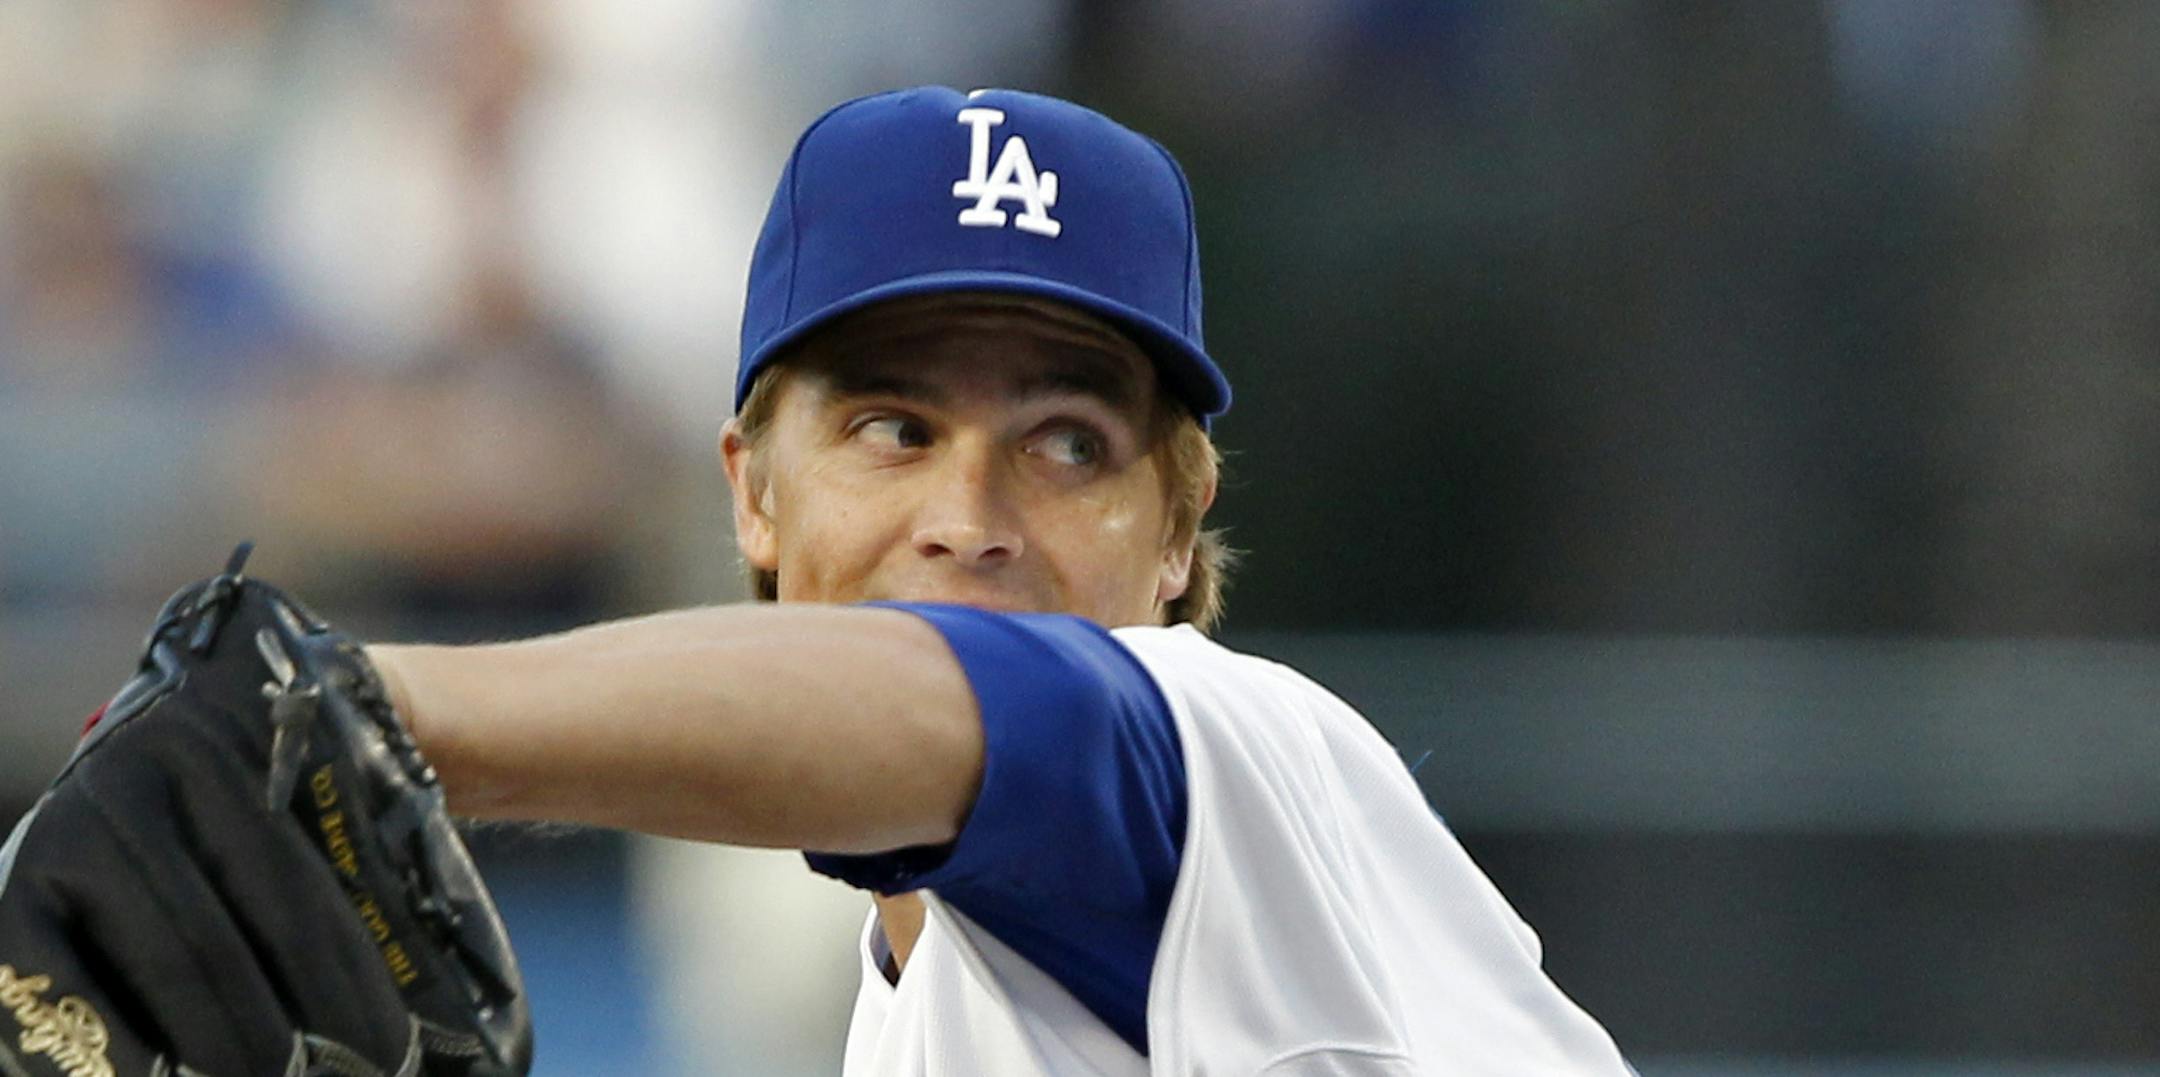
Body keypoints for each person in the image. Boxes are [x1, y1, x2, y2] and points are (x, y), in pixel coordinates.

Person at [370, 86, 1632, 1074]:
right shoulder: (917, 998)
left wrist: (377, 720)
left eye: (1068, 444)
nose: (968, 521)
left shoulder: (1236, 755)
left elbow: (1001, 706)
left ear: (1178, 529)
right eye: (894, 430)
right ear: (755, 494)